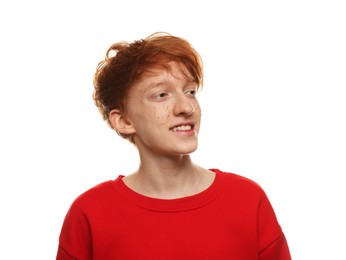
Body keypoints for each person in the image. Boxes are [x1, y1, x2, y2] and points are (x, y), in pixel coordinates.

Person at [56, 32, 291, 259]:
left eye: (190, 91)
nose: (186, 107)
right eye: (161, 95)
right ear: (124, 120)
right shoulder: (90, 213)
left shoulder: (247, 200)